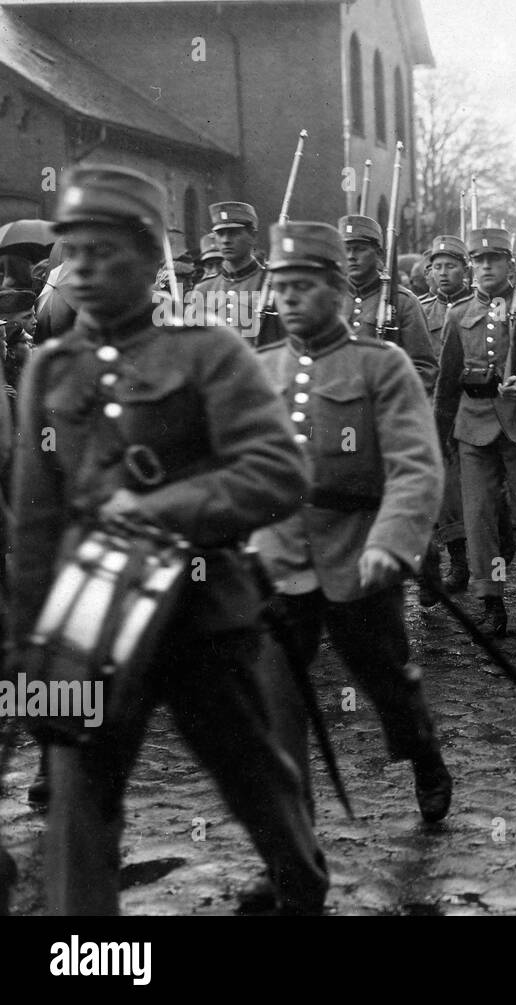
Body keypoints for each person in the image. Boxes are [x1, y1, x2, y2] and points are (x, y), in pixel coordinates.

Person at [7, 164, 327, 915]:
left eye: (104, 252)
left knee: (248, 769)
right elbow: (35, 522)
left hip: (200, 606)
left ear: (152, 260)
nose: (81, 268)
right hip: (90, 616)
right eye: (71, 252)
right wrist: (25, 643)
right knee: (80, 795)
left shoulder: (208, 353)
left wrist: (171, 507)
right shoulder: (52, 369)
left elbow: (280, 473)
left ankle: (299, 877)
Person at [249, 220, 453, 835]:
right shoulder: (258, 369)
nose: (288, 297)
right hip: (281, 560)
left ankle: (422, 754)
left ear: (337, 290)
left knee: (386, 681)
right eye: (280, 286)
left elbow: (416, 466)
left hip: (358, 552)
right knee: (276, 704)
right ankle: (291, 849)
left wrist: (392, 542)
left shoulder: (380, 365)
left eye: (303, 285)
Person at [433, 226, 516, 637]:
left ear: (510, 264)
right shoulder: (459, 315)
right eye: (479, 260)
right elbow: (447, 381)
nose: (486, 266)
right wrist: (440, 435)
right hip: (474, 431)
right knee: (480, 520)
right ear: (471, 266)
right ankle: (491, 599)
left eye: (495, 259)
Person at [416, 236, 473, 602]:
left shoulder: (478, 308)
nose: (443, 273)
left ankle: (469, 557)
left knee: (462, 489)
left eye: (451, 266)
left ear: (465, 271)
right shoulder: (420, 310)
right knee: (433, 487)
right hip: (429, 407)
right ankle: (446, 564)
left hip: (469, 406)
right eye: (437, 267)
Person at [338, 215, 437, 394]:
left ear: (379, 254)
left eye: (360, 249)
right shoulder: (331, 298)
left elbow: (424, 369)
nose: (351, 257)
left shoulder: (403, 302)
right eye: (346, 250)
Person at [190, 201, 286, 347]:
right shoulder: (203, 290)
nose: (226, 240)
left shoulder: (272, 284)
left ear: (253, 236)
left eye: (234, 233)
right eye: (220, 234)